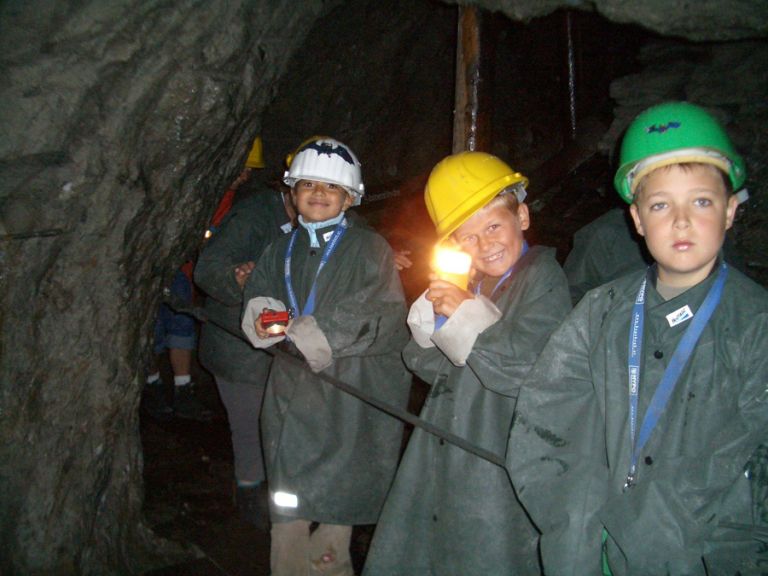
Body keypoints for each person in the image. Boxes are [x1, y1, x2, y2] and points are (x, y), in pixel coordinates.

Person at [507, 101, 768, 575]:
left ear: (731, 210)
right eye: (661, 204)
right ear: (637, 219)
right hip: (598, 550)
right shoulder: (601, 311)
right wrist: (575, 531)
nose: (682, 221)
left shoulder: (757, 326)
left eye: (702, 201)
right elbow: (547, 428)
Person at [363, 152, 572, 575]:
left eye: (494, 226)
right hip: (446, 441)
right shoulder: (474, 282)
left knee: (488, 555)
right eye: (468, 237)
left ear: (523, 217)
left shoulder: (543, 278)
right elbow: (427, 365)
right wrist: (435, 318)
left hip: (499, 456)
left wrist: (465, 315)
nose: (485, 244)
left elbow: (526, 369)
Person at [240, 137, 411, 576]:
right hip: (291, 396)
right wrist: (261, 318)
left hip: (347, 398)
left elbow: (381, 313)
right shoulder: (280, 249)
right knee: (288, 512)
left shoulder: (369, 249)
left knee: (334, 520)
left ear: (350, 198)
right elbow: (261, 293)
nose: (318, 193)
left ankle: (329, 564)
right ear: (292, 193)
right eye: (308, 184)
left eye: (330, 188)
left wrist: (307, 333)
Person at [194, 136, 295, 530]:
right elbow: (209, 268)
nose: (317, 195)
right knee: (251, 425)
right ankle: (251, 495)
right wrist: (237, 279)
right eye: (306, 185)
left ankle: (282, 505)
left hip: (282, 343)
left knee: (280, 426)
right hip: (238, 346)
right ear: (287, 185)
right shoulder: (255, 215)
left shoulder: (318, 219)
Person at [143, 260, 212, 421]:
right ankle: (152, 385)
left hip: (179, 267)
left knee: (182, 325)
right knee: (151, 329)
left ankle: (183, 389)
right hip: (145, 268)